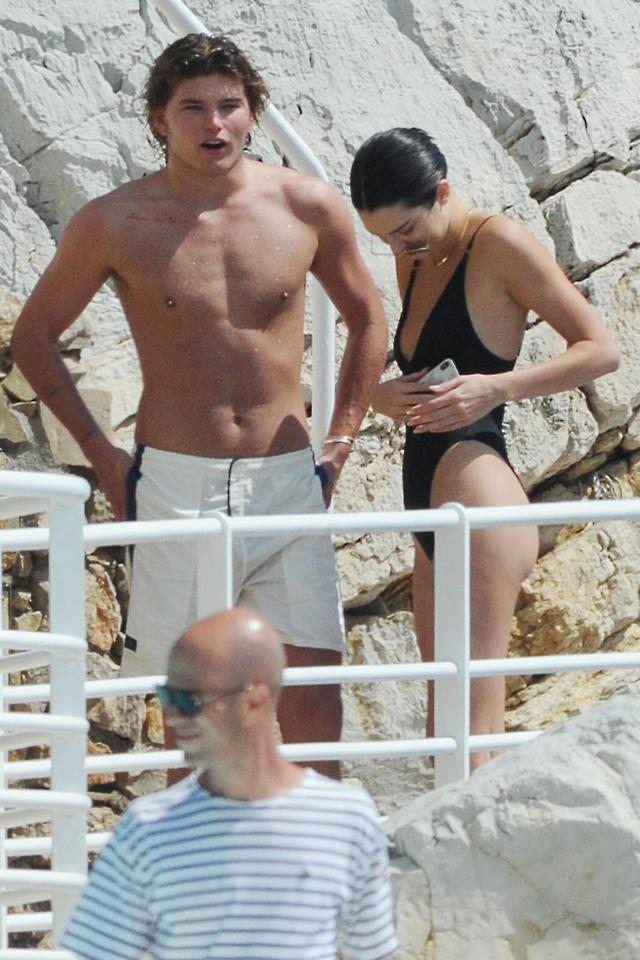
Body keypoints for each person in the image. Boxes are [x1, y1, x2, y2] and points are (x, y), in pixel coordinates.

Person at [11, 34, 388, 779]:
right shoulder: (115, 220)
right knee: (194, 706)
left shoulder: (306, 204)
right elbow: (34, 336)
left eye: (229, 105)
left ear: (252, 113)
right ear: (159, 119)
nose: (214, 124)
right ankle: (199, 851)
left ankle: (318, 848)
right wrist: (104, 457)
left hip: (286, 478)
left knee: (312, 697)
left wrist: (341, 440)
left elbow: (369, 320)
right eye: (192, 108)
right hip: (175, 482)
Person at [349, 128, 619, 769]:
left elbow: (601, 350)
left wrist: (494, 388)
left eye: (406, 230)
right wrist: (382, 396)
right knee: (444, 723)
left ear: (443, 192)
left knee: (471, 725)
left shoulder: (498, 242)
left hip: (479, 492)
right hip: (432, 492)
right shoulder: (417, 254)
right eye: (384, 238)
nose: (398, 248)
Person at [60, 607, 399, 960]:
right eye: (167, 697)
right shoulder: (147, 827)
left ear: (255, 698)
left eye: (190, 700)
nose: (173, 717)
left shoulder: (346, 819)